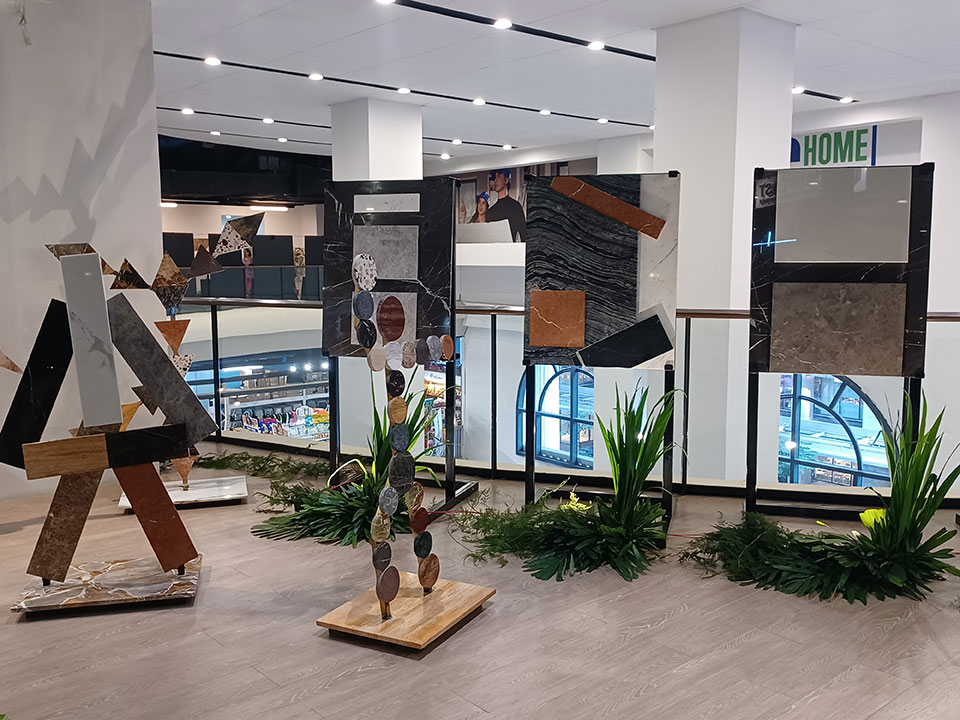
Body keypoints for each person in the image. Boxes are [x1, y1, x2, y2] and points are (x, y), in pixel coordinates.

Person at [486, 168, 526, 241]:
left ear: (506, 180)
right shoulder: (490, 211)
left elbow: (524, 235)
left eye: (499, 176)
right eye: (494, 178)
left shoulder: (516, 207)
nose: (495, 181)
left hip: (510, 247)